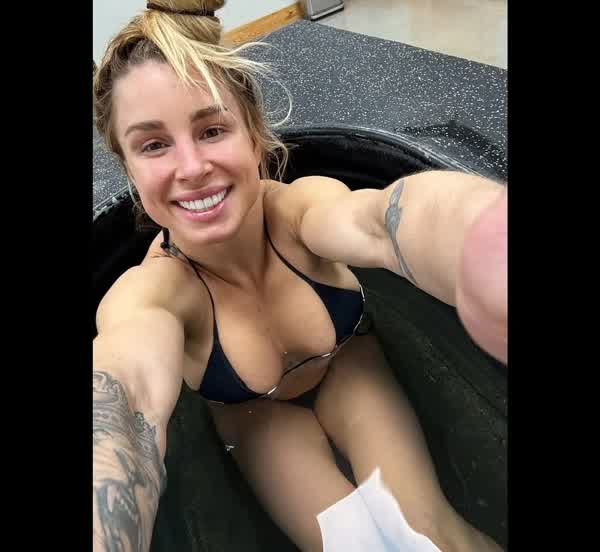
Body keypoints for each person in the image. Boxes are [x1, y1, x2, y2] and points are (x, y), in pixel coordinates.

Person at [92, 2, 507, 551]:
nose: (191, 168)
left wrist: (484, 240)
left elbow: (383, 224)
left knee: (433, 535)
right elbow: (125, 393)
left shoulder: (300, 213)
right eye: (153, 145)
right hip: (254, 417)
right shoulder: (154, 293)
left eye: (212, 130)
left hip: (349, 369)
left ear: (254, 134)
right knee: (352, 545)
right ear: (128, 168)